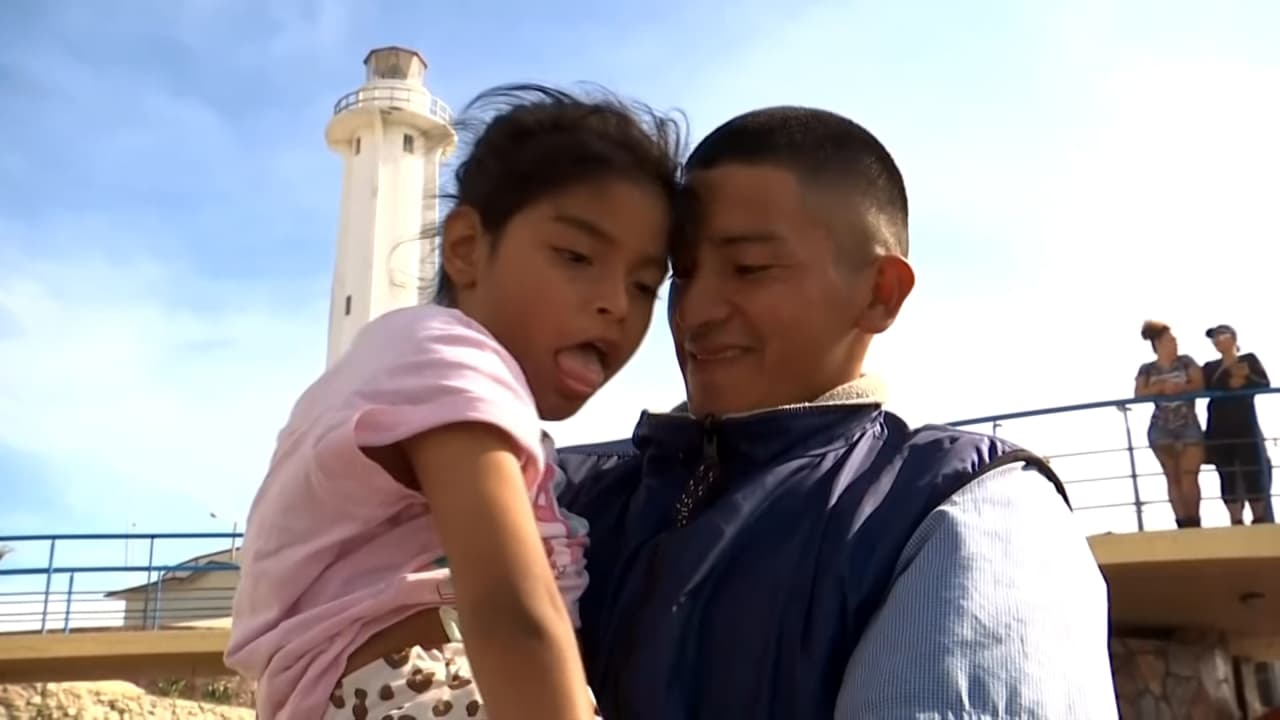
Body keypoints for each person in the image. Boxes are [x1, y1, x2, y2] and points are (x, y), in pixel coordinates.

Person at [558, 107, 1117, 718]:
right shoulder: (551, 491)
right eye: (682, 274)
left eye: (749, 268)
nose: (694, 312)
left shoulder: (966, 509)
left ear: (880, 293)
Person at [225, 84, 684, 720]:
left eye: (643, 285)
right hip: (415, 683)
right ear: (466, 248)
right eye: (576, 256)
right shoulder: (446, 355)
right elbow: (510, 612)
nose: (615, 302)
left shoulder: (441, 381)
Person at [1134, 320, 1206, 528]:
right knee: (1172, 476)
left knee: (1189, 474)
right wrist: (1160, 388)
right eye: (1170, 340)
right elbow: (1139, 394)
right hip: (1161, 426)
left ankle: (1194, 521)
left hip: (1188, 423)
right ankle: (1182, 522)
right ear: (1158, 344)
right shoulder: (1147, 369)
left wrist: (1182, 388)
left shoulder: (1186, 362)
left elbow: (1200, 384)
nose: (1175, 344)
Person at [1202, 324, 1273, 525]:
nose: (1217, 340)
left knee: (1253, 467)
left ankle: (1259, 517)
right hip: (1219, 423)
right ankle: (1236, 518)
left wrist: (1245, 377)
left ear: (1233, 338)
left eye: (1221, 335)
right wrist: (1230, 380)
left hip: (1245, 421)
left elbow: (1263, 383)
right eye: (1214, 337)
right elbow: (1206, 387)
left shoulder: (1248, 359)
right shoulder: (1210, 367)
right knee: (1226, 472)